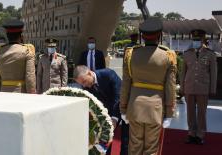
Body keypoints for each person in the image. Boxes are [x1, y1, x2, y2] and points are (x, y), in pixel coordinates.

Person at [120, 17, 176, 155]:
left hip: (135, 106)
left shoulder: (130, 54)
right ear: (159, 35)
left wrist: (123, 108)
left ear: (142, 36)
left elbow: (126, 84)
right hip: (155, 109)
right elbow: (170, 87)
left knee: (134, 146)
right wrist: (169, 113)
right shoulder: (168, 56)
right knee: (151, 149)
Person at [180, 29, 217, 145]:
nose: (196, 41)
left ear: (203, 40)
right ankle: (191, 133)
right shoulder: (187, 53)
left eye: (198, 39)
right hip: (189, 86)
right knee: (190, 111)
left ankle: (200, 134)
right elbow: (183, 72)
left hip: (203, 87)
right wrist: (182, 87)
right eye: (194, 39)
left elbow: (213, 73)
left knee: (201, 112)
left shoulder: (210, 54)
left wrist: (212, 88)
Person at [73, 65, 121, 155]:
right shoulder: (86, 86)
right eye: (81, 84)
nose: (84, 85)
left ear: (90, 73)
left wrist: (114, 118)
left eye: (84, 81)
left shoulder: (108, 74)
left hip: (120, 108)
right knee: (105, 137)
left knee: (125, 140)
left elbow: (117, 98)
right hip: (104, 111)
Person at [0, 19, 36, 93]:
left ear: (7, 36)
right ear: (21, 36)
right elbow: (30, 77)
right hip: (21, 93)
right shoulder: (27, 51)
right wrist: (32, 94)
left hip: (3, 93)